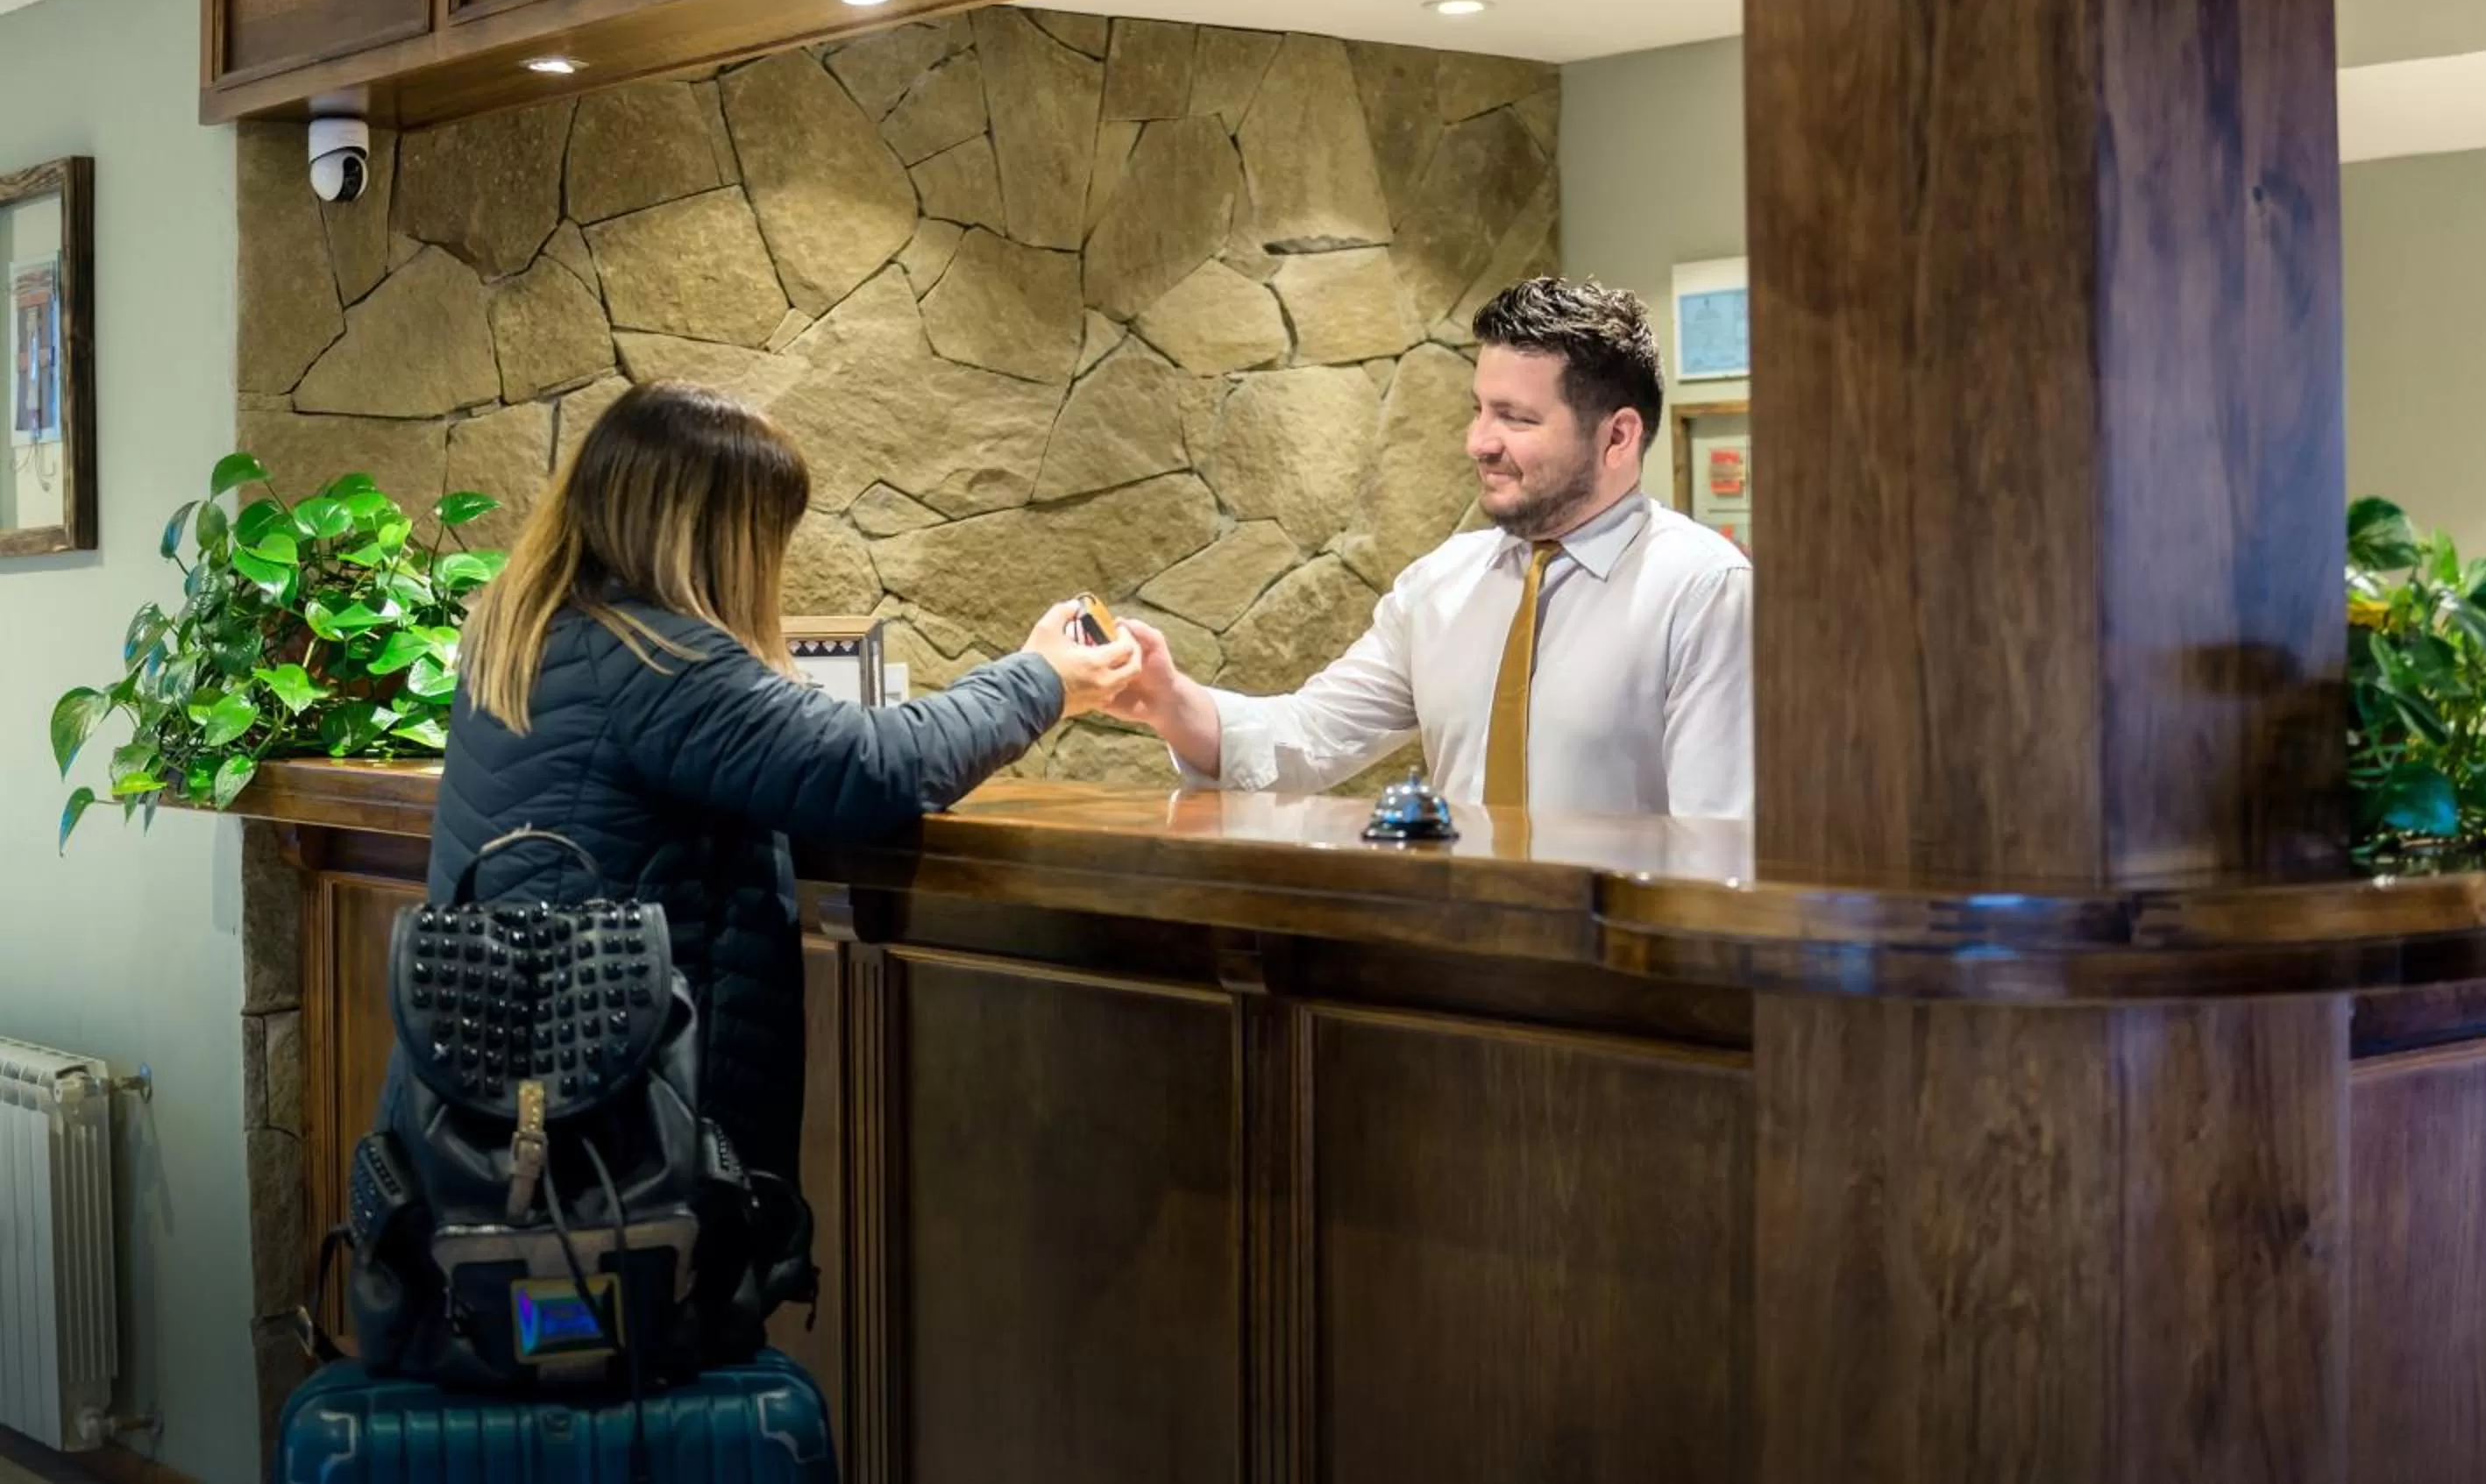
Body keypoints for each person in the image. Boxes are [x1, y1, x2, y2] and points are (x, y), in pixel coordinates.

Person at [409, 380, 1140, 1190]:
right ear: (717, 534)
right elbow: (875, 766)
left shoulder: (528, 627)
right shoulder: (658, 662)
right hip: (618, 1151)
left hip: (517, 1118)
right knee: (646, 1317)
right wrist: (1043, 677)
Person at [1109, 276, 1751, 819]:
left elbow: (1717, 840)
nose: (1479, 441)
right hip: (1455, 953)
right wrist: (1172, 701)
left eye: (1515, 418)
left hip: (1620, 965)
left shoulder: (1706, 592)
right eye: (1478, 410)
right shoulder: (1439, 584)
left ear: (1618, 437)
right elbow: (1308, 738)